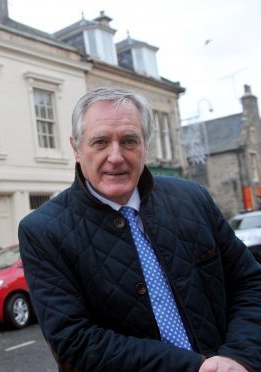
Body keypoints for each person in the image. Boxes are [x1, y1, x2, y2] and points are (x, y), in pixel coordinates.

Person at [18, 86, 261, 371]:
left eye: (129, 140)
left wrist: (238, 355)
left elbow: (250, 283)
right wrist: (194, 367)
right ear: (76, 148)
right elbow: (75, 341)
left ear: (145, 144)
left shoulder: (193, 198)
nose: (116, 156)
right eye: (100, 142)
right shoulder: (42, 231)